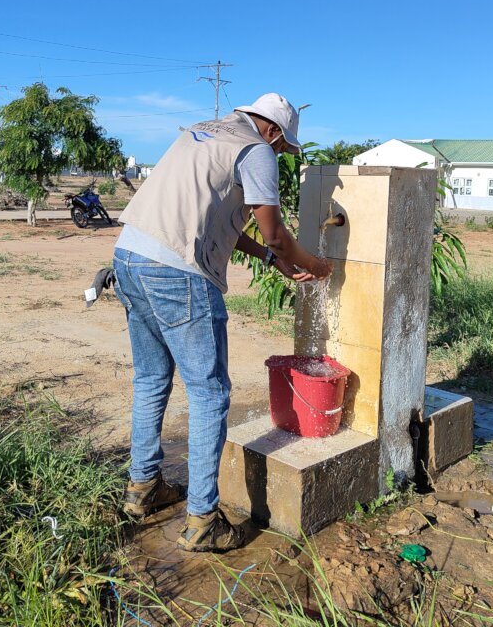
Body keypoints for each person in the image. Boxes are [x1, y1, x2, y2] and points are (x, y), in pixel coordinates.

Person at [112, 93, 332, 552]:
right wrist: (315, 263)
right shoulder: (255, 150)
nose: (279, 155)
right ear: (272, 131)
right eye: (282, 148)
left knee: (151, 379)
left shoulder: (203, 132)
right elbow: (273, 229)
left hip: (129, 256)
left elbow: (222, 224)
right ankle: (202, 520)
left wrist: (269, 259)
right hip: (177, 273)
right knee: (211, 394)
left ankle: (142, 488)